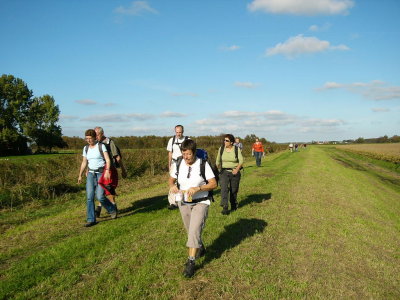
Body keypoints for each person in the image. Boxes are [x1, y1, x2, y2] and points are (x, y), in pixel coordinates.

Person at [168, 139, 217, 278]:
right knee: (190, 230)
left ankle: (191, 262)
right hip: (183, 202)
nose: (186, 157)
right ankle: (200, 246)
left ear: (194, 153)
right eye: (184, 154)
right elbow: (171, 180)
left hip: (201, 201)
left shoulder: (203, 164)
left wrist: (198, 188)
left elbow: (213, 183)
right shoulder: (178, 163)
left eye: (189, 154)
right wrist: (172, 186)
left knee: (194, 230)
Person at [78, 129, 118, 227]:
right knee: (89, 197)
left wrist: (107, 171)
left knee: (100, 196)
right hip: (91, 174)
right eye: (86, 138)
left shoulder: (101, 146)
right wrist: (80, 175)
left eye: (90, 138)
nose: (88, 140)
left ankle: (112, 209)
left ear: (95, 137)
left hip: (101, 173)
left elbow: (108, 160)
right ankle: (91, 219)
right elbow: (84, 162)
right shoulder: (86, 148)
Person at [94, 126, 126, 217]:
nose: (96, 137)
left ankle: (109, 208)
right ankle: (102, 208)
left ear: (102, 133)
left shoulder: (109, 142)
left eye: (97, 135)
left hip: (109, 169)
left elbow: (117, 157)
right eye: (94, 135)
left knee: (108, 188)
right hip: (99, 170)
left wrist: (123, 170)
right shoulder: (96, 144)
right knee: (101, 189)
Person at [216, 134, 244, 215]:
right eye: (224, 140)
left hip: (234, 171)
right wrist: (219, 170)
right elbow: (217, 161)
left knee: (233, 190)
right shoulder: (221, 149)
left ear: (231, 142)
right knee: (224, 188)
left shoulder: (236, 149)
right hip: (224, 171)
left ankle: (233, 204)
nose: (224, 142)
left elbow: (241, 161)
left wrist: (237, 169)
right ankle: (225, 206)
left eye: (226, 140)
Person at [166, 125, 189, 209]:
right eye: (177, 132)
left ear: (183, 131)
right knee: (173, 182)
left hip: (184, 163)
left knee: (184, 181)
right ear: (175, 131)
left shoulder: (188, 140)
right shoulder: (171, 140)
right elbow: (170, 153)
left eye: (180, 132)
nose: (178, 134)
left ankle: (185, 200)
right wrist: (169, 165)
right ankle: (173, 202)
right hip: (174, 163)